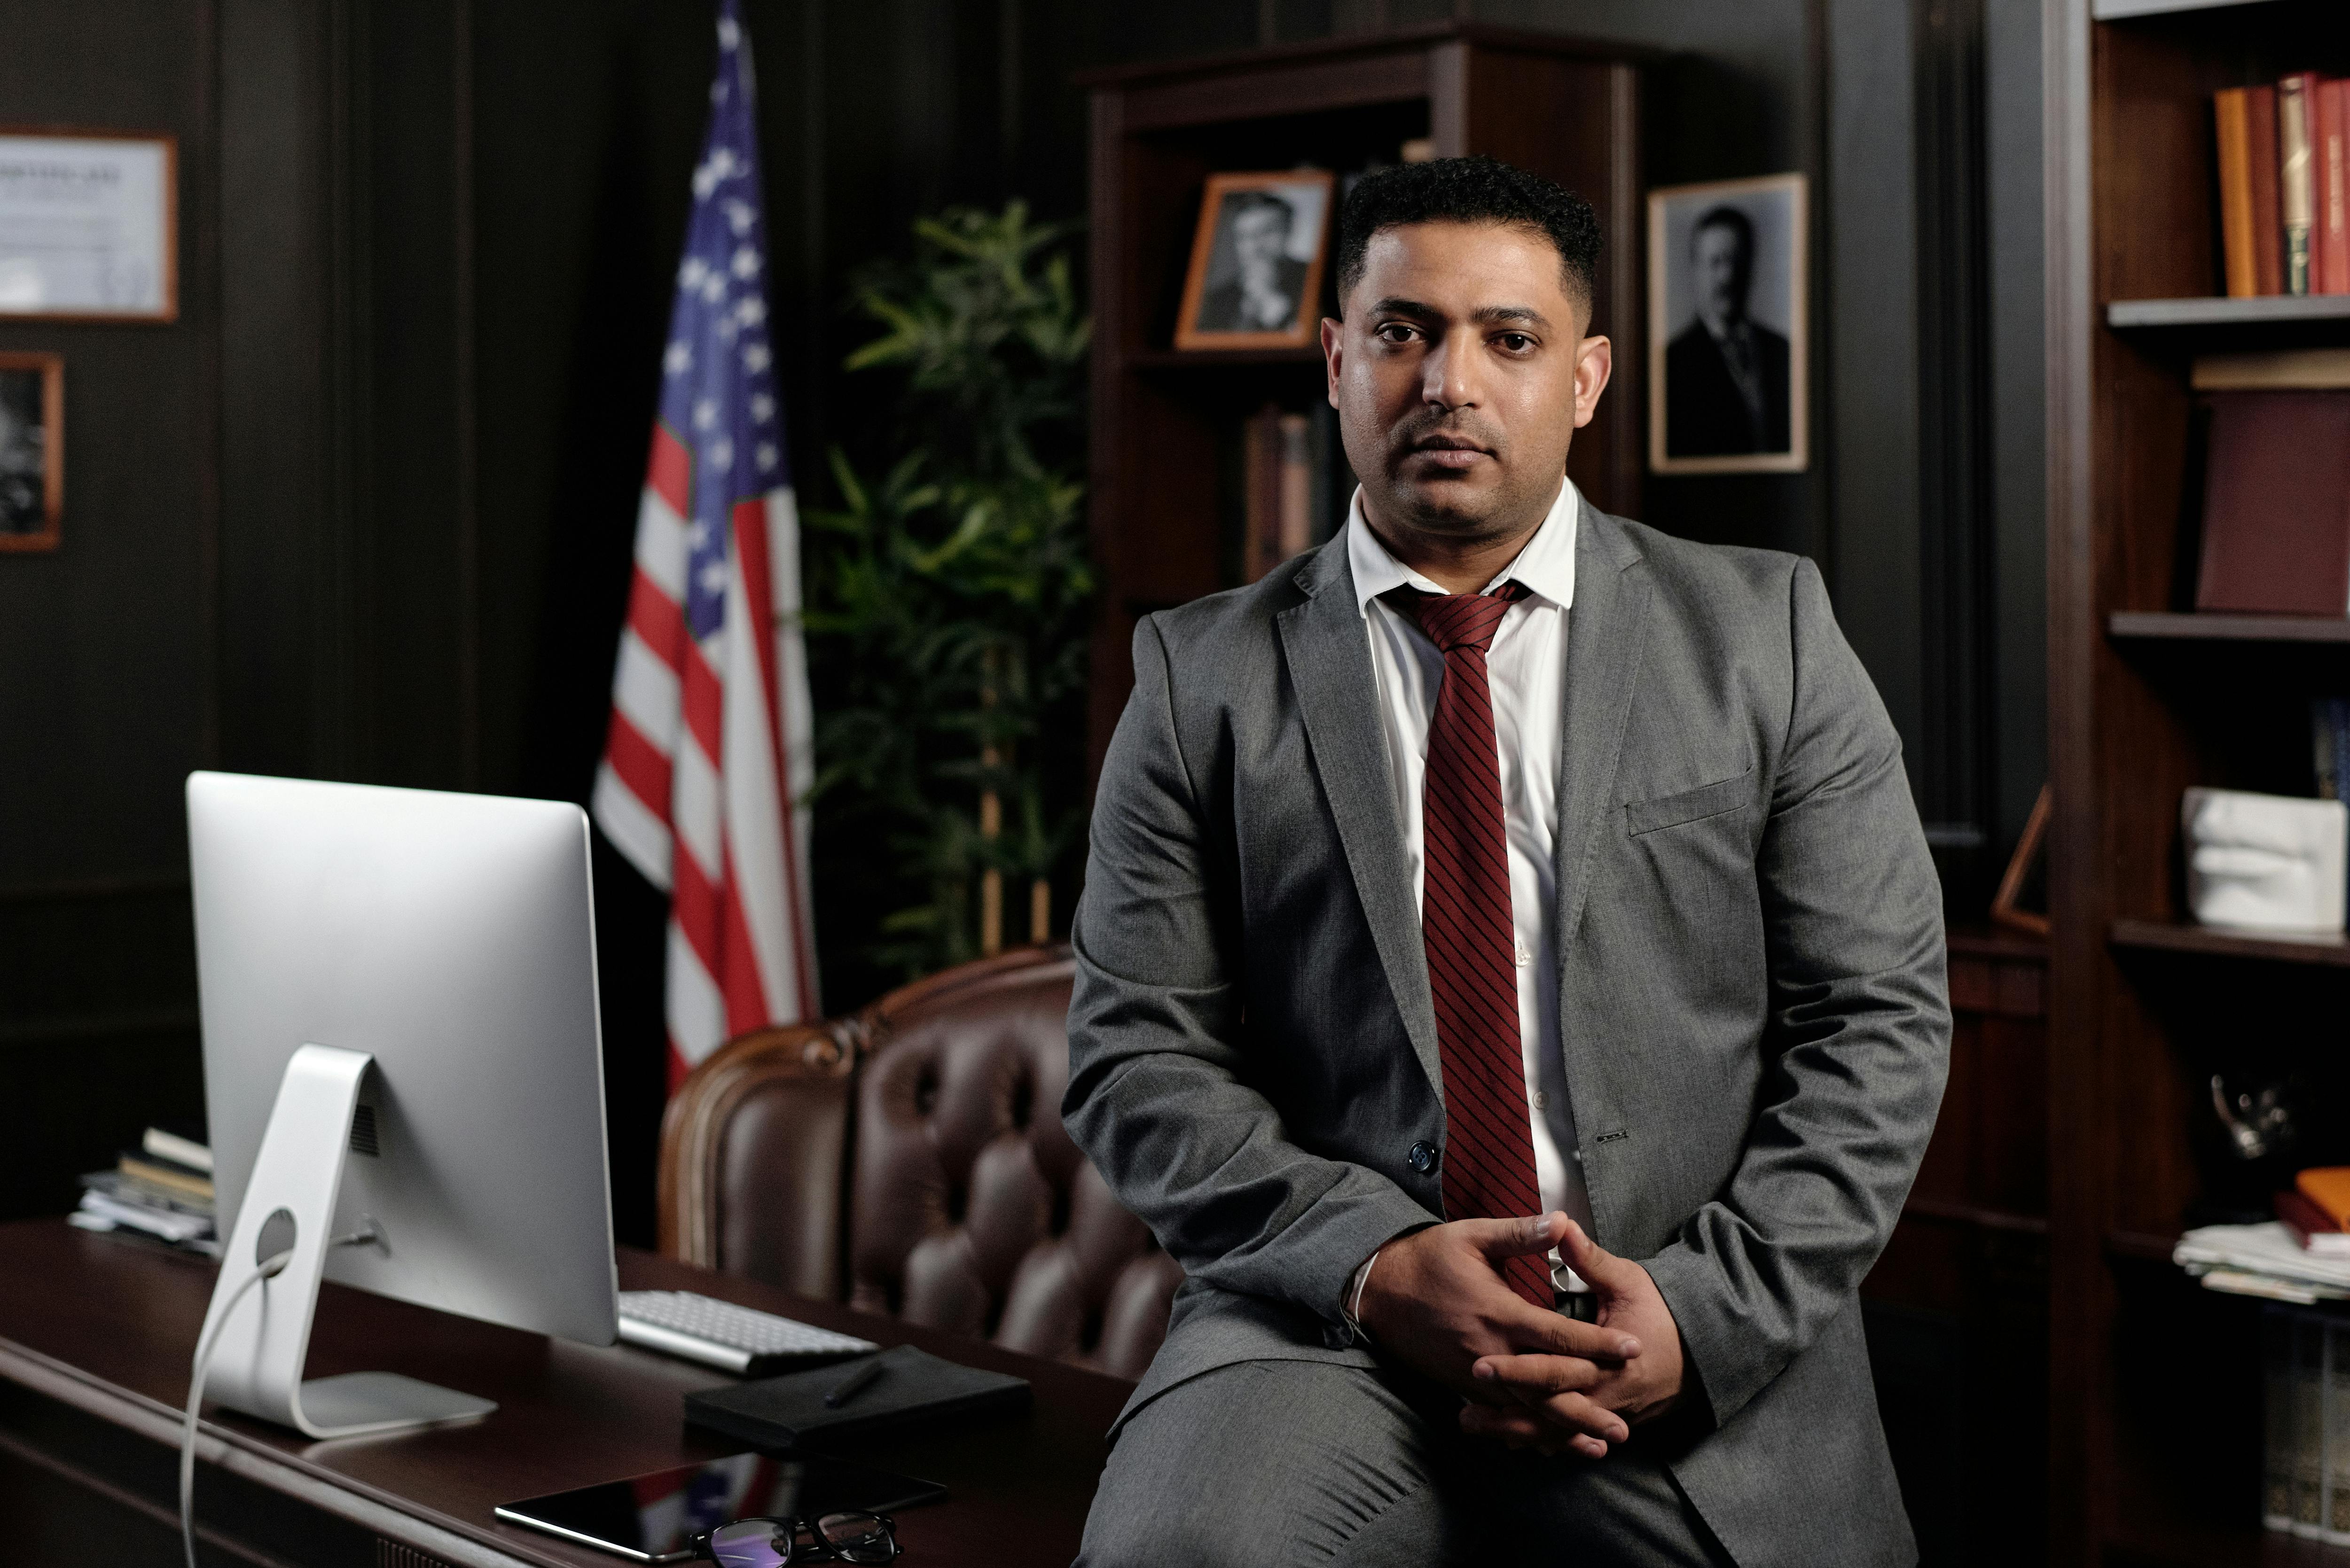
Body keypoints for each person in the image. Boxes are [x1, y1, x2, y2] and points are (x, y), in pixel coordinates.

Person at [1066, 154, 1946, 1566]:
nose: (1449, 382)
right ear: (1336, 358)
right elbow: (1133, 1056)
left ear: (1586, 376)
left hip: (1673, 1319)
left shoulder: (1766, 637)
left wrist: (1698, 1311)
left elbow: (1879, 1027)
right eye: (1404, 331)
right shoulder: (1200, 677)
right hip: (1325, 1323)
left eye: (1508, 337)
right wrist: (1372, 1263)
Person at [1664, 205, 1792, 458]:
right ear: (1696, 270)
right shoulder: (1673, 363)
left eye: (1736, 261)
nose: (1728, 276)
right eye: (1716, 263)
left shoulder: (1782, 350)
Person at [1195, 190, 1311, 335]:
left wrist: (1270, 300)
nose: (1254, 247)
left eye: (1267, 232)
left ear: (1289, 231)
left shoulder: (1314, 280)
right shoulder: (1218, 298)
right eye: (1245, 237)